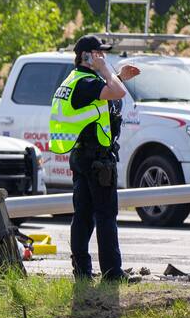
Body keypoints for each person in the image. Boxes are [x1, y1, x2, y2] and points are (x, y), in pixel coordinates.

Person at [49, 34, 141, 281]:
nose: (103, 57)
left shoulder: (77, 81)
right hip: (97, 159)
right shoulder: (86, 81)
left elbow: (101, 98)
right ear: (86, 56)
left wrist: (117, 76)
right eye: (99, 53)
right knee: (105, 216)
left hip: (83, 156)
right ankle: (112, 274)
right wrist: (109, 71)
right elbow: (118, 93)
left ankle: (81, 272)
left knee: (83, 215)